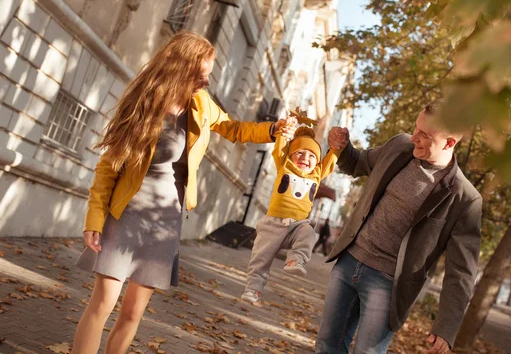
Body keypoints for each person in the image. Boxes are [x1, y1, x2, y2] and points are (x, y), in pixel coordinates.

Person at [72, 31, 295, 354]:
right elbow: (109, 167)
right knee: (102, 303)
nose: (206, 83)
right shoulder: (144, 104)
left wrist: (272, 130)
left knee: (133, 312)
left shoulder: (201, 105)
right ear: (180, 68)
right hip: (127, 214)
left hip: (164, 222)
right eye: (200, 74)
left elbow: (233, 129)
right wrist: (94, 217)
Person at [316, 99, 482, 354]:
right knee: (327, 345)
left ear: (449, 142)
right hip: (350, 260)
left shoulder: (465, 198)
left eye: (424, 135)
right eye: (416, 128)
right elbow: (357, 163)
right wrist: (342, 147)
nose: (413, 137)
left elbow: (461, 271)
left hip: (388, 284)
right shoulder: (399, 146)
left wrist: (446, 326)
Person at [241, 122, 340, 303]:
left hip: (297, 225)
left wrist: (335, 149)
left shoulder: (316, 173)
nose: (305, 158)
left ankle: (296, 260)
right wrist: (283, 133)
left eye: (311, 155)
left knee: (309, 233)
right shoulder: (284, 164)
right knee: (260, 260)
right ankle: (253, 290)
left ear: (317, 161)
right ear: (290, 155)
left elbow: (330, 161)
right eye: (299, 153)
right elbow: (280, 147)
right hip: (273, 224)